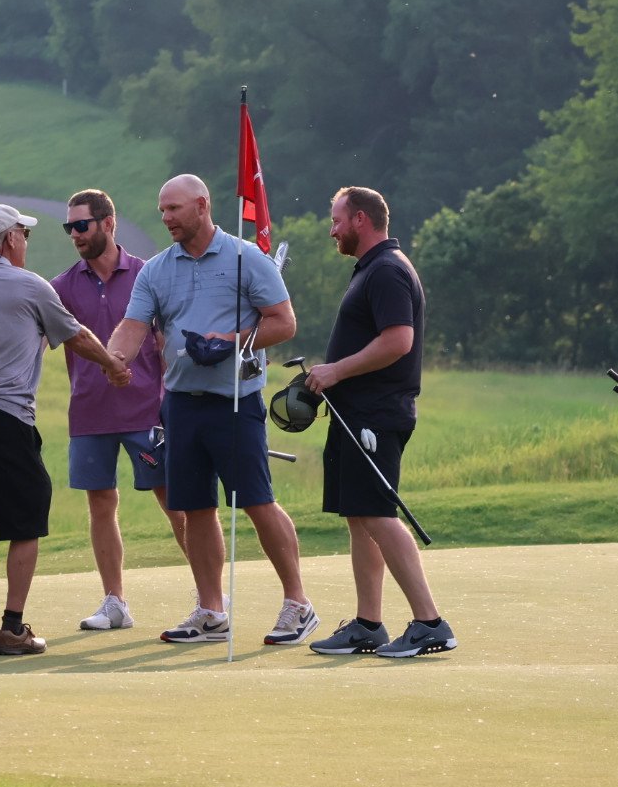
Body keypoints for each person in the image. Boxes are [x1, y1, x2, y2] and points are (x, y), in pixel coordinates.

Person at [106, 174, 318, 646]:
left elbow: (283, 322)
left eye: (174, 209)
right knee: (194, 508)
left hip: (235, 402)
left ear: (202, 206)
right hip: (180, 403)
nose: (166, 219)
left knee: (258, 502)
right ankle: (210, 612)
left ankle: (298, 603)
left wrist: (232, 342)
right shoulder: (157, 269)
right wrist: (114, 359)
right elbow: (132, 324)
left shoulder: (248, 259)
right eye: (162, 210)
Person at [0, 204, 130, 658]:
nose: (26, 244)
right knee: (25, 523)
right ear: (10, 239)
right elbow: (76, 336)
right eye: (24, 236)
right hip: (6, 417)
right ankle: (13, 628)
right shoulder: (30, 286)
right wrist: (113, 364)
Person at [303, 187, 456, 658]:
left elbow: (398, 341)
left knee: (377, 515)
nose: (332, 230)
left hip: (376, 413)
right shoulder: (373, 269)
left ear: (361, 220)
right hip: (358, 413)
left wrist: (335, 371)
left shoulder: (387, 270)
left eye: (336, 221)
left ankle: (430, 623)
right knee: (360, 516)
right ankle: (368, 624)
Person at [49, 189, 187, 631]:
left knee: (176, 504)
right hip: (90, 414)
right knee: (101, 506)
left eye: (82, 225)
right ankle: (115, 603)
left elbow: (170, 342)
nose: (75, 235)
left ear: (109, 224)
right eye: (69, 227)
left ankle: (210, 593)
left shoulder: (149, 275)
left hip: (148, 410)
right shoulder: (62, 287)